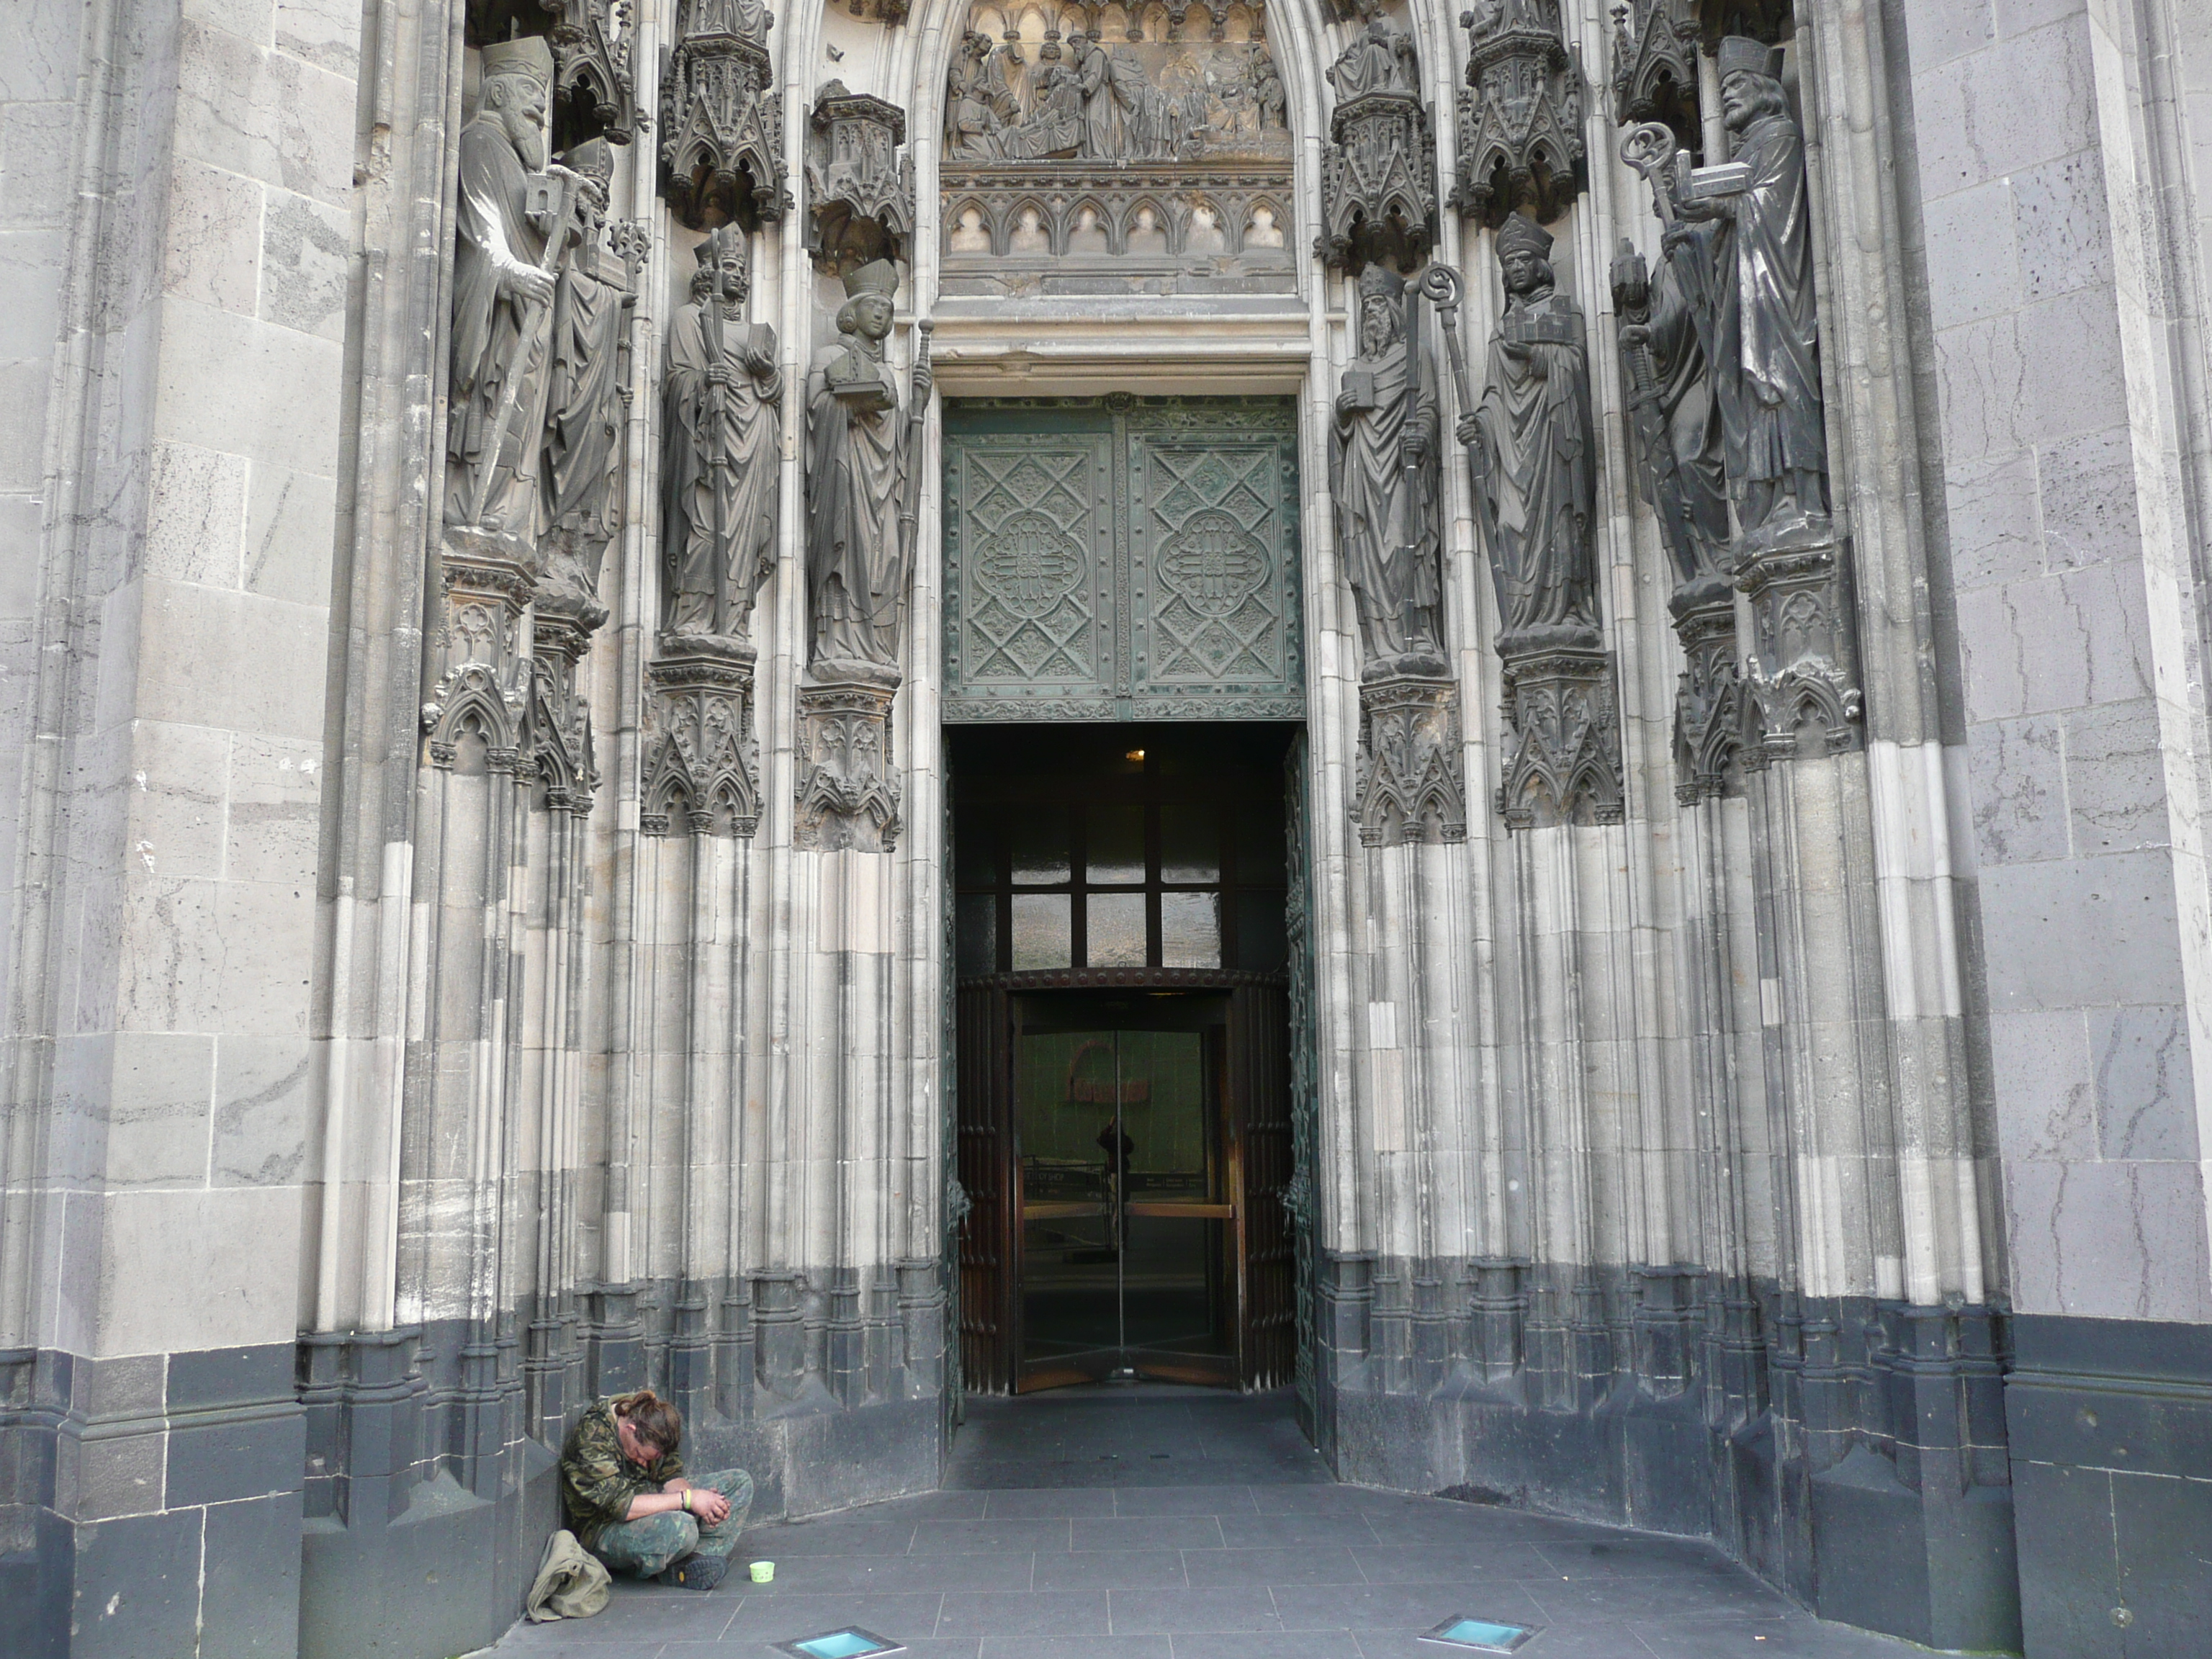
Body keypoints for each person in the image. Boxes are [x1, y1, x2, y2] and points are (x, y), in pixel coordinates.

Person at [559, 1389, 754, 1591]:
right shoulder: (592, 1438)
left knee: (738, 1484)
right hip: (604, 1528)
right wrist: (687, 1500)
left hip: (649, 1497)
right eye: (639, 1455)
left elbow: (670, 1476)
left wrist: (701, 1504)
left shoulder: (654, 1421)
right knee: (682, 1528)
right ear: (630, 1429)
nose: (643, 1464)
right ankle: (672, 1565)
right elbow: (622, 1507)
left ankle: (695, 1560)